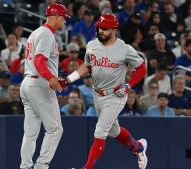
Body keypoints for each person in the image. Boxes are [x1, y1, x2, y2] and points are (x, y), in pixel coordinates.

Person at [59, 13, 147, 169]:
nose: (101, 31)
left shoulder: (124, 48)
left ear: (114, 30)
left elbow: (141, 68)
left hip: (115, 95)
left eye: (105, 28)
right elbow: (86, 66)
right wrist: (68, 80)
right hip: (97, 94)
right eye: (100, 27)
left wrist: (128, 85)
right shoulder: (92, 45)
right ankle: (138, 148)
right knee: (113, 131)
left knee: (100, 131)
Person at [19, 4, 70, 169]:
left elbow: (40, 62)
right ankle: (41, 166)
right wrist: (50, 78)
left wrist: (55, 77)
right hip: (39, 84)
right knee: (55, 129)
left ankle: (26, 166)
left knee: (31, 132)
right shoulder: (47, 34)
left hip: (28, 82)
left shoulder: (36, 32)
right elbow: (39, 60)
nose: (64, 21)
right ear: (55, 17)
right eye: (63, 17)